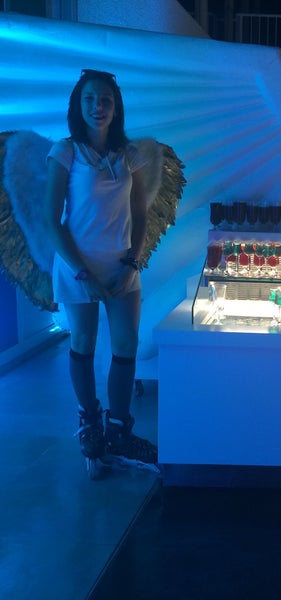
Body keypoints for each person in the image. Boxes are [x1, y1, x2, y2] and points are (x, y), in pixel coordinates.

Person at [44, 69, 157, 468]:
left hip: (122, 265)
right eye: (90, 99)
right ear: (78, 104)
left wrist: (132, 262)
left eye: (106, 99)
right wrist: (82, 274)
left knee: (126, 345)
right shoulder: (65, 151)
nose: (98, 106)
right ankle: (89, 422)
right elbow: (51, 221)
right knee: (83, 342)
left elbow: (140, 215)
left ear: (116, 107)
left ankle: (119, 430)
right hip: (78, 266)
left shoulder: (129, 154)